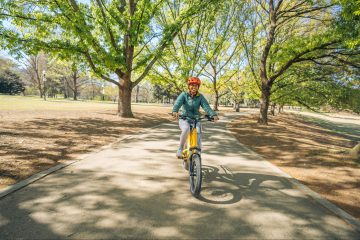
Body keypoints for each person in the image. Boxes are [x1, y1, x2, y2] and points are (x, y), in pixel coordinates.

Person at [172, 76, 219, 158]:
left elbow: (206, 106)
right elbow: (177, 103)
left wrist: (213, 114)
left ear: (198, 87)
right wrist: (175, 111)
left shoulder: (200, 97)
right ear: (189, 86)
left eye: (196, 85)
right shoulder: (184, 95)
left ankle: (198, 151)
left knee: (198, 132)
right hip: (184, 119)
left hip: (196, 119)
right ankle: (180, 148)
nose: (194, 87)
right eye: (192, 85)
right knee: (186, 129)